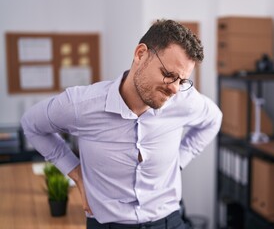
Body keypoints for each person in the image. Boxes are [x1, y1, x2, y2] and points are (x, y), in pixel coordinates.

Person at [21, 19, 222, 229]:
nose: (174, 89)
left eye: (181, 81)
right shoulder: (80, 104)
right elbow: (32, 125)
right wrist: (77, 174)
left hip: (170, 222)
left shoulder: (184, 100)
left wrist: (179, 161)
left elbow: (213, 119)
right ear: (140, 54)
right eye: (168, 75)